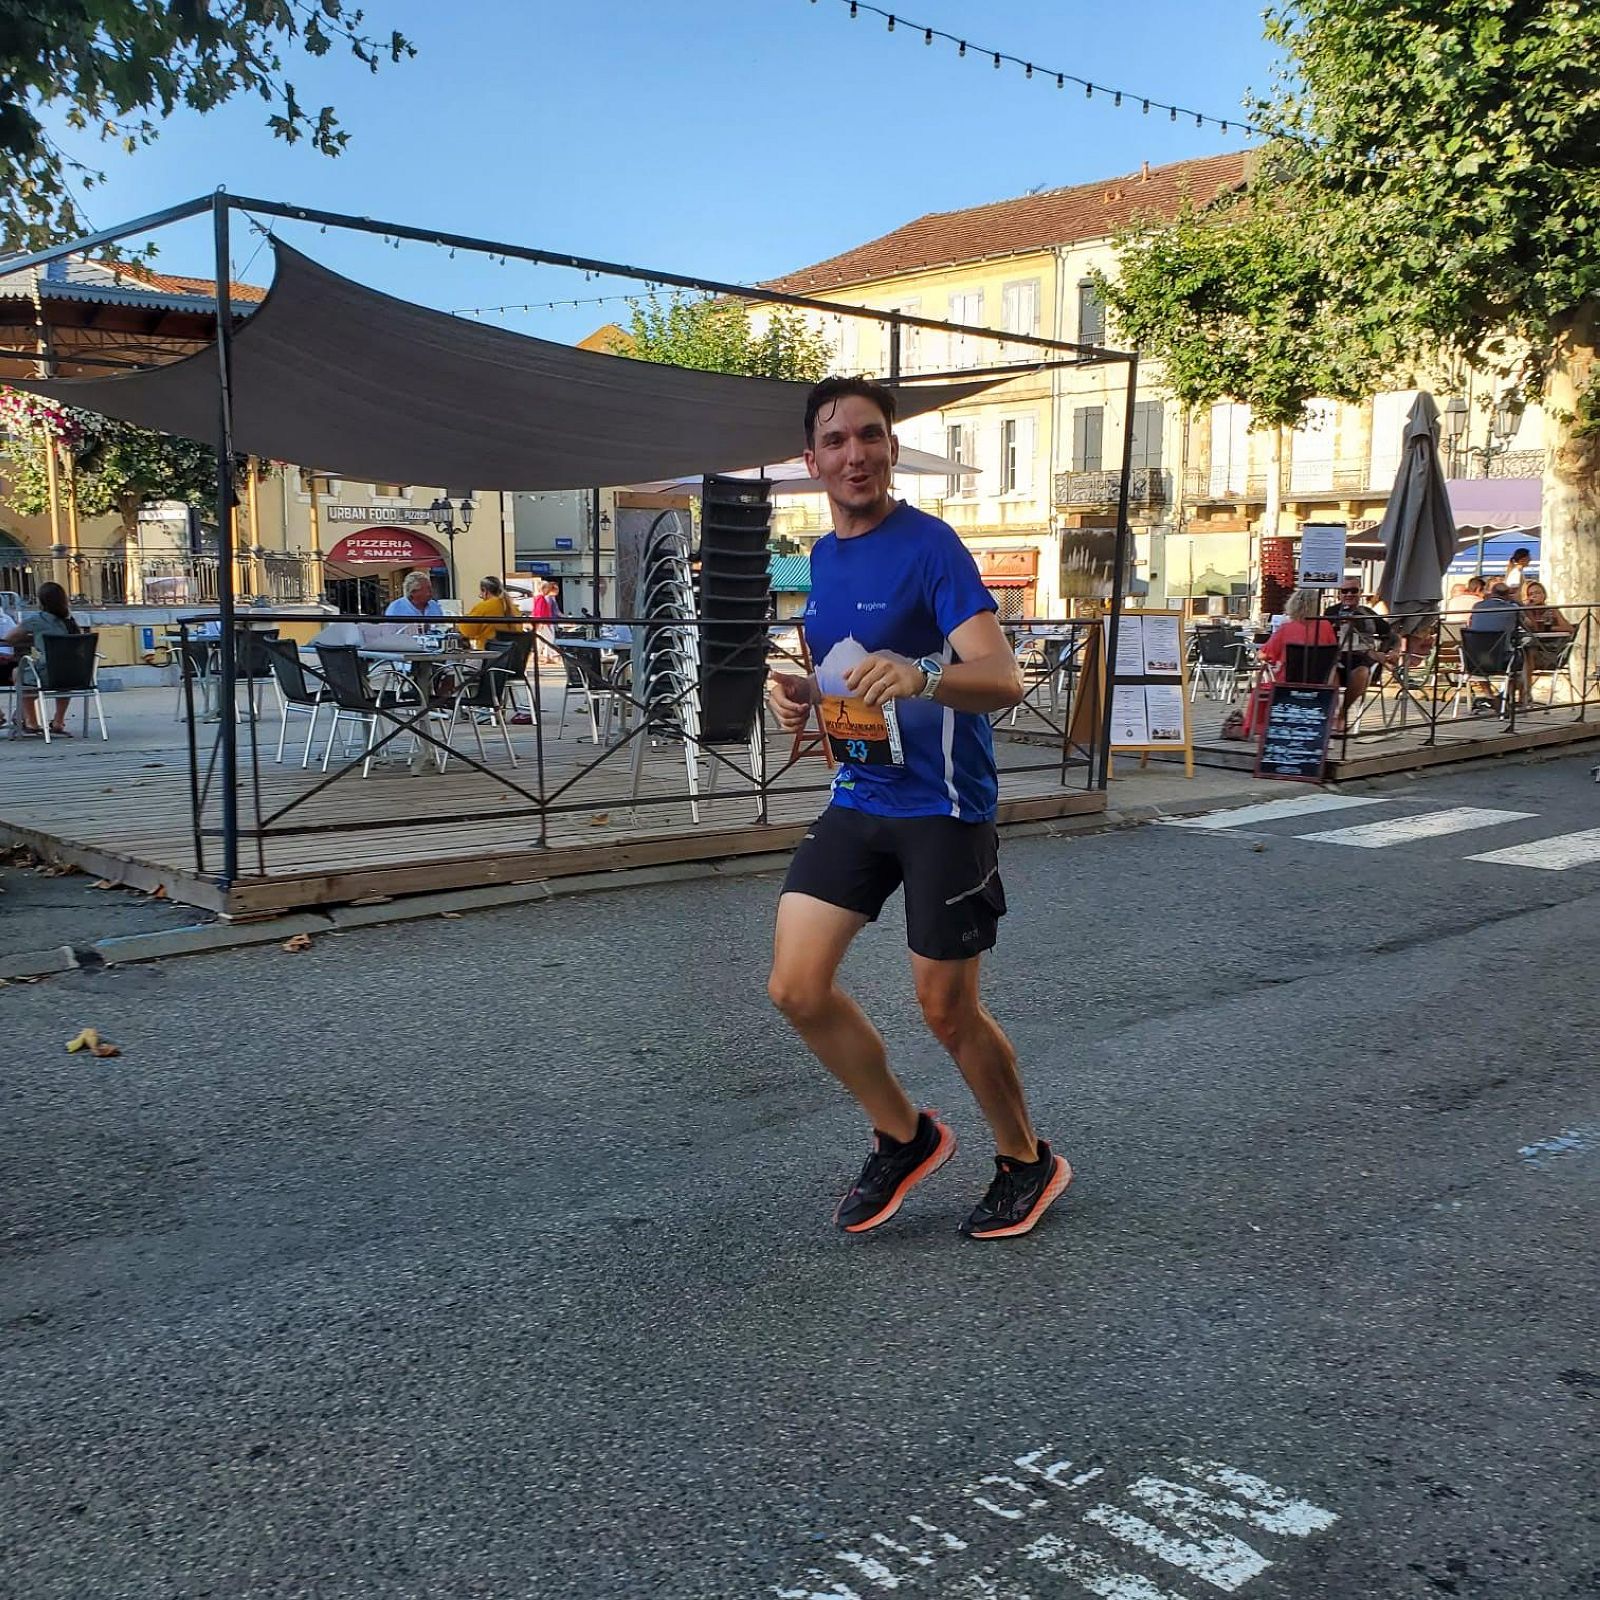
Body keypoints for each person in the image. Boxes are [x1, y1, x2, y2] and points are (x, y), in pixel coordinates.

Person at [766, 376, 1069, 1241]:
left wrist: (925, 675)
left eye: (870, 435)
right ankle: (905, 1136)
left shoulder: (932, 546)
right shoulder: (823, 558)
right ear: (812, 460)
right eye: (836, 441)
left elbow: (1003, 677)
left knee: (946, 1009)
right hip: (861, 793)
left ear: (892, 448)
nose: (855, 454)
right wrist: (803, 696)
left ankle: (1025, 1158)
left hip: (944, 808)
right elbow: (849, 672)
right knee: (796, 987)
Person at [5, 581, 82, 736]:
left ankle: (31, 721)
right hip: (74, 675)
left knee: (18, 673)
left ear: (41, 601)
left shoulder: (37, 619)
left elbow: (9, 638)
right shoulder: (70, 622)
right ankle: (58, 721)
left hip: (48, 674)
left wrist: (31, 638)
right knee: (62, 671)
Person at [1325, 580, 1399, 734]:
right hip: (1337, 657)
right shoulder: (1331, 612)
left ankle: (1343, 712)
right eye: (1345, 591)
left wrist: (1394, 651)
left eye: (1353, 591)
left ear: (1360, 593)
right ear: (1339, 594)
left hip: (1363, 658)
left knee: (1362, 673)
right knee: (1331, 672)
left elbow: (1392, 635)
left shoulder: (1367, 612)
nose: (1349, 594)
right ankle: (1333, 714)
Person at [1258, 587, 1338, 681]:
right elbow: (1333, 653)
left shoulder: (1286, 628)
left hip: (1290, 680)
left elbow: (1264, 655)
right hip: (1320, 680)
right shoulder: (1326, 625)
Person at [457, 574, 526, 648]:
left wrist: (459, 624)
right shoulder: (513, 608)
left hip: (489, 652)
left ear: (485, 591)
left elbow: (468, 631)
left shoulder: (485, 606)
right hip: (510, 652)